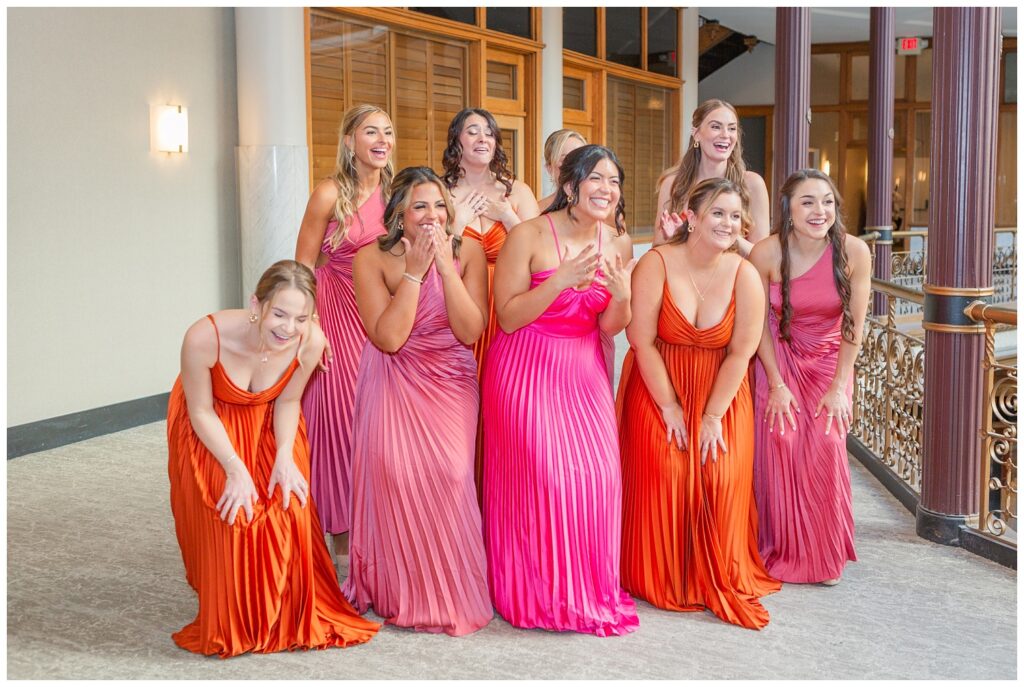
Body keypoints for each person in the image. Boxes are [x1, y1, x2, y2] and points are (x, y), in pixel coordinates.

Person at [167, 260, 379, 657]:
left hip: (273, 419)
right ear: (256, 304)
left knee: (291, 503)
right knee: (233, 512)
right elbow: (199, 411)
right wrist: (234, 468)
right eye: (279, 314)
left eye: (301, 317)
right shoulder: (203, 337)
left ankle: (289, 611)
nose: (288, 328)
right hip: (211, 424)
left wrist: (284, 455)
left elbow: (290, 400)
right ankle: (238, 616)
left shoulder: (309, 341)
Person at [483, 144, 639, 636]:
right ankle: (537, 589)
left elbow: (611, 326)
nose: (607, 190)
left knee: (599, 479)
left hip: (583, 369)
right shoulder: (527, 235)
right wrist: (561, 281)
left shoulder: (617, 243)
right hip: (525, 366)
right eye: (597, 179)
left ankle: (585, 587)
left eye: (614, 182)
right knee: (548, 479)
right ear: (570, 186)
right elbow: (506, 316)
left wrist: (623, 296)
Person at [617, 178, 781, 630]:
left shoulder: (744, 274)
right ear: (691, 217)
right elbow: (641, 340)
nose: (728, 224)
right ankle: (659, 572)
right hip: (658, 381)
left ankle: (717, 567)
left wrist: (711, 417)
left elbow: (742, 352)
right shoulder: (655, 262)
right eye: (718, 213)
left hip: (721, 390)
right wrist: (669, 407)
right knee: (668, 468)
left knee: (719, 472)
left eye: (735, 216)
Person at [343, 167, 492, 636]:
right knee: (394, 471)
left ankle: (449, 584)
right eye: (420, 206)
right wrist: (413, 272)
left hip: (449, 373)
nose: (432, 216)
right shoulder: (370, 258)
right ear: (399, 215)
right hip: (393, 372)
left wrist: (445, 267)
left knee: (450, 471)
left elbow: (471, 331)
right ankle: (394, 585)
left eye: (439, 206)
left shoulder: (468, 252)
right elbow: (387, 338)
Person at [748, 168, 872, 585]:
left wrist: (840, 386)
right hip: (776, 357)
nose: (820, 211)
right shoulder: (765, 254)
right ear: (788, 208)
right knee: (779, 440)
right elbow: (758, 324)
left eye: (827, 202)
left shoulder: (853, 251)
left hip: (829, 360)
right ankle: (780, 548)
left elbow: (855, 324)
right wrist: (776, 382)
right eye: (808, 202)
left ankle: (823, 555)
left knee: (826, 442)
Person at [294, 104, 394, 572]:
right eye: (371, 131)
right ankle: (338, 545)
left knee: (379, 430)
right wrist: (309, 327)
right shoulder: (329, 194)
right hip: (335, 318)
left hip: (384, 322)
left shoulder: (398, 195)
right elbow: (301, 269)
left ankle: (377, 534)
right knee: (337, 427)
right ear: (350, 140)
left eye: (388, 132)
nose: (382, 139)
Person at [441, 107, 541, 499]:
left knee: (506, 407)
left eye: (489, 133)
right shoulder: (442, 192)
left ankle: (502, 494)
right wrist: (458, 220)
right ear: (457, 142)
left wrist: (508, 216)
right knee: (465, 406)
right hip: (462, 303)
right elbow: (430, 252)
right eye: (472, 131)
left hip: (509, 307)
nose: (482, 138)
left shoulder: (518, 191)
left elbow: (539, 250)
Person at [539, 128, 617, 384]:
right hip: (544, 335)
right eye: (567, 160)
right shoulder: (537, 214)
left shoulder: (607, 217)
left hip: (591, 335)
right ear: (551, 169)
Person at [654, 99, 770, 256]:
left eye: (731, 129)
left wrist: (727, 234)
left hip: (732, 277)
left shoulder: (752, 184)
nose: (725, 135)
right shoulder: (673, 184)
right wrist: (673, 239)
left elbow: (763, 257)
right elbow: (657, 248)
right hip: (683, 277)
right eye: (716, 127)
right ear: (696, 134)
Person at [537, 128, 587, 211]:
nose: (577, 164)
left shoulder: (603, 206)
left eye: (581, 157)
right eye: (567, 159)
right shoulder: (537, 210)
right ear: (550, 168)